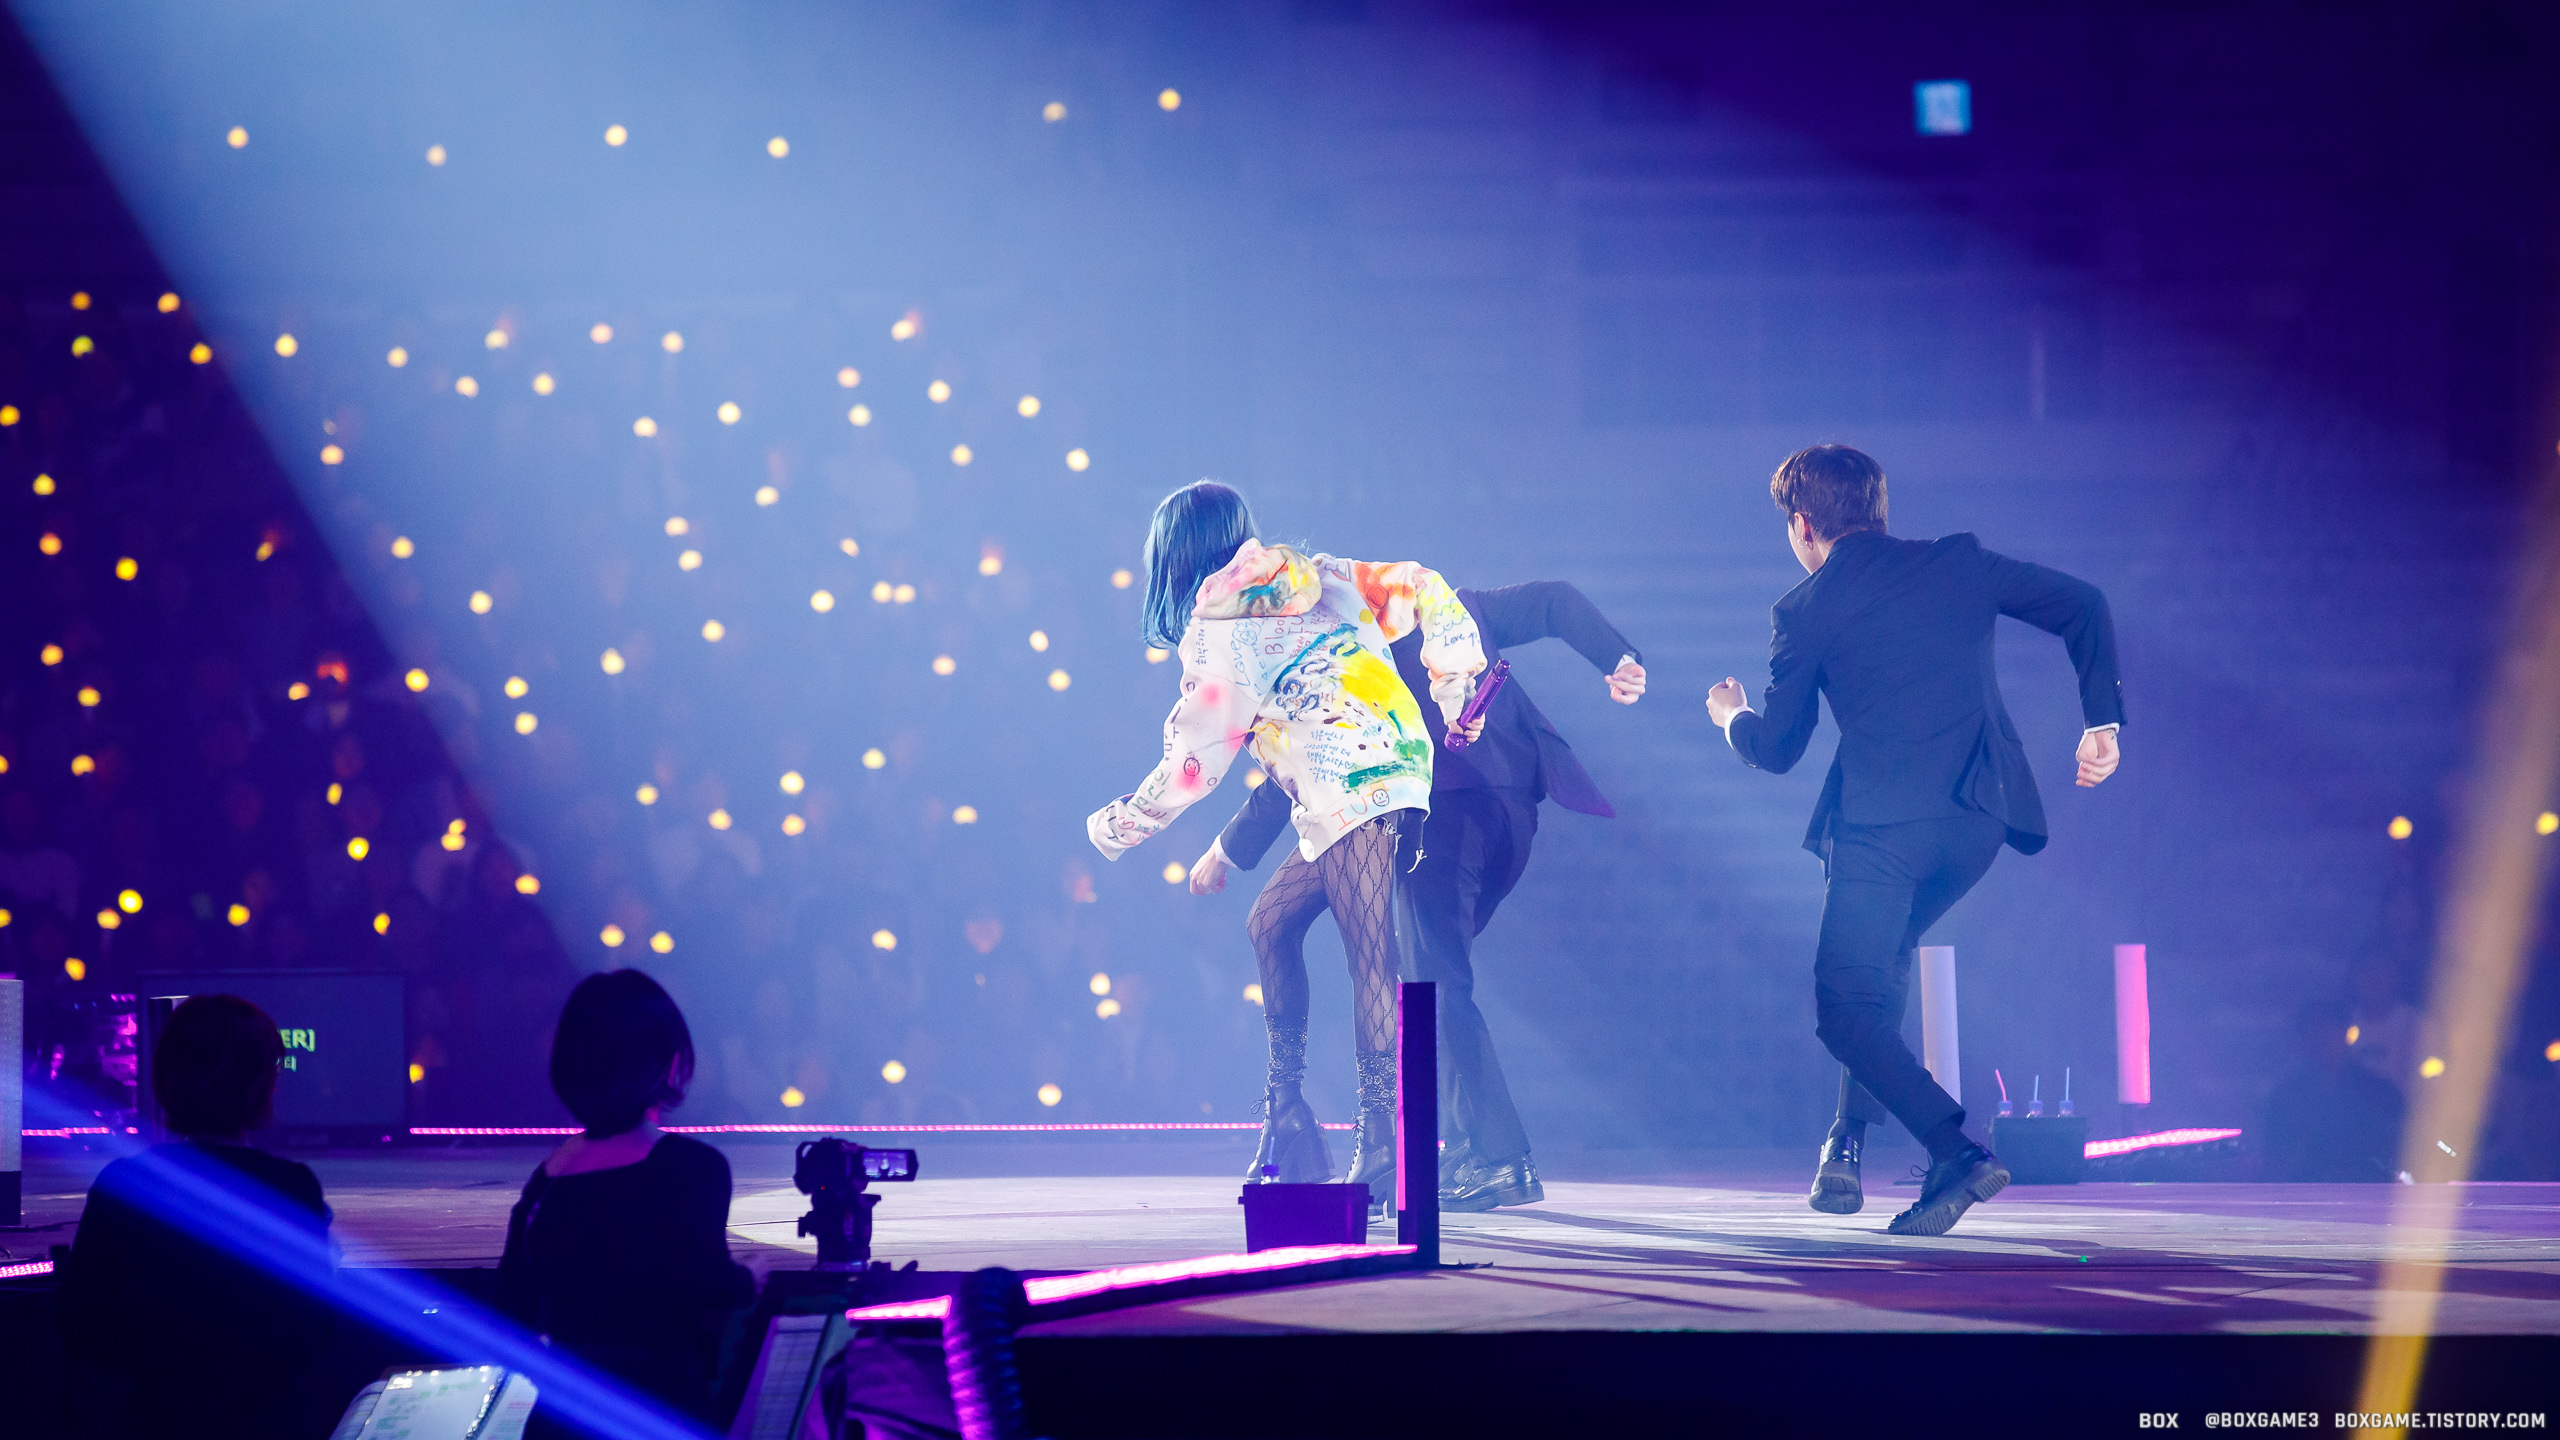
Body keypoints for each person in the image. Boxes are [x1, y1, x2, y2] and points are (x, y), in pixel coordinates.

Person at [1706, 445, 2123, 1236]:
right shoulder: (1957, 563)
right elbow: (2085, 603)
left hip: (1883, 834)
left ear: (1802, 525)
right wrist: (2102, 722)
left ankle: (1954, 1151)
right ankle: (1847, 1141)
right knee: (1885, 963)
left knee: (1845, 1010)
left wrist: (1730, 716)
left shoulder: (1804, 609)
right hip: (1978, 822)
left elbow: (1779, 749)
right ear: (1879, 509)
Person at [1088, 481, 1484, 1211]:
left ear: (1176, 554)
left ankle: (1381, 1142)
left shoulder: (1216, 628)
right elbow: (1425, 585)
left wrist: (1120, 825)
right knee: (1269, 926)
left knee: (1371, 956)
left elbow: (1195, 761)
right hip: (1390, 766)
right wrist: (1455, 684)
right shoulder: (1322, 574)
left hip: (1349, 779)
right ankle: (1290, 1115)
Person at [1195, 579, 1646, 1212]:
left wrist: (1227, 849)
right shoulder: (1451, 608)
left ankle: (1498, 1157)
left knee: (1431, 985)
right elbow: (1555, 602)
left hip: (1442, 814)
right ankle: (1462, 1149)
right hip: (1511, 812)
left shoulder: (1347, 659)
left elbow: (1302, 765)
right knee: (1427, 981)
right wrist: (1618, 657)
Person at [60, 994, 337, 1440]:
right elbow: (309, 1334)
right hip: (265, 1424)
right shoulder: (290, 1188)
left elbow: (82, 1322)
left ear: (167, 1077)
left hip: (157, 1420)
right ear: (262, 1082)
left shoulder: (126, 1182)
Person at [498, 970, 754, 1420]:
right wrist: (752, 1278)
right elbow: (705, 1284)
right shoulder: (693, 1168)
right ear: (669, 1063)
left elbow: (513, 1299)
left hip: (562, 1413)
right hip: (660, 1407)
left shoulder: (548, 1180)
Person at [2257, 998, 2405, 1181]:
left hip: (2366, 1189)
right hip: (2303, 1191)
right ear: (2303, 1040)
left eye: (2329, 1031)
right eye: (2315, 1033)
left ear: (2344, 1034)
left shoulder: (2380, 1092)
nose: (2323, 1040)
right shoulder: (2286, 1097)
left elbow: (2394, 1153)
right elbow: (2275, 1158)